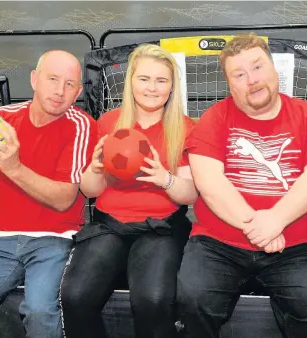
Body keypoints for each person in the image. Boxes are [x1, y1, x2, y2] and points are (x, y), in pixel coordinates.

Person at [176, 33, 307, 338]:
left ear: (273, 69)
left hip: (292, 244)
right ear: (229, 84)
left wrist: (276, 220)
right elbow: (210, 183)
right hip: (218, 243)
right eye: (239, 74)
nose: (251, 79)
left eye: (257, 67)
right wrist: (261, 227)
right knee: (193, 298)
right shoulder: (214, 117)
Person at [59, 44, 198, 338]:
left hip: (159, 228)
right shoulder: (109, 123)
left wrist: (165, 178)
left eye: (161, 81)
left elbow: (190, 195)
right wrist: (96, 169)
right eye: (144, 79)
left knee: (153, 301)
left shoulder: (184, 128)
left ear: (172, 86)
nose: (152, 88)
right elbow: (89, 190)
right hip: (109, 225)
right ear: (130, 81)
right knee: (75, 296)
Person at [0, 50, 97, 338]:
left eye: (69, 84)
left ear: (78, 91)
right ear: (34, 79)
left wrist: (13, 167)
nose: (59, 91)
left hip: (56, 238)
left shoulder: (81, 126)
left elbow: (64, 198)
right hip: (3, 238)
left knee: (40, 312)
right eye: (52, 79)